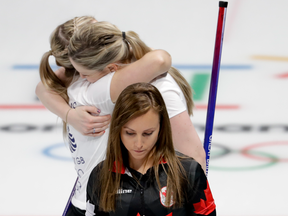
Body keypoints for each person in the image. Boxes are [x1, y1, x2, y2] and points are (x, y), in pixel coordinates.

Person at [37, 18, 172, 216]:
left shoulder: (76, 84)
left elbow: (42, 87)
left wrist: (68, 114)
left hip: (86, 199)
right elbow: (160, 60)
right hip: (103, 203)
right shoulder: (101, 89)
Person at [86, 83, 216, 216]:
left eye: (147, 133)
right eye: (130, 133)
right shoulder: (100, 176)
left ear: (161, 128)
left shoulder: (188, 172)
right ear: (117, 130)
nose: (139, 144)